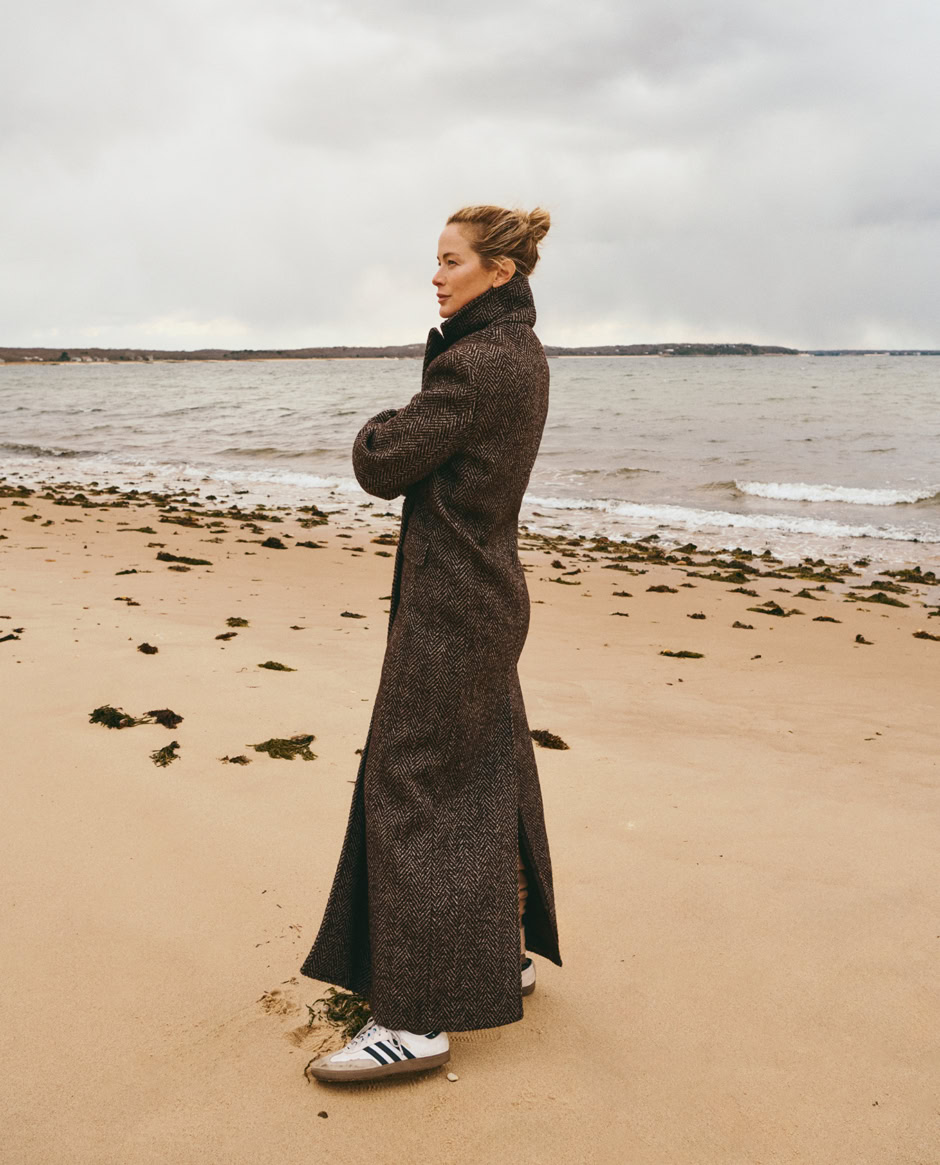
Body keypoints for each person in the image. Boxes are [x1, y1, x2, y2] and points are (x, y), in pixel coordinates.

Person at [302, 205, 562, 1082]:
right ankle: (500, 958)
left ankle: (413, 1017)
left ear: (498, 271)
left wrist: (384, 415)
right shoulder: (520, 353)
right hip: (487, 598)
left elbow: (382, 461)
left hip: (453, 613)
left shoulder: (477, 365)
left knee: (406, 783)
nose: (437, 276)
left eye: (451, 262)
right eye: (436, 261)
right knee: (487, 771)